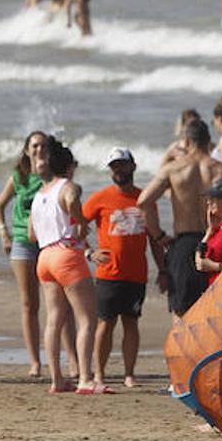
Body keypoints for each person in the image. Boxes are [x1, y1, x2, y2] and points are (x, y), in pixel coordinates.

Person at [138, 118, 222, 318]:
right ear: (209, 141)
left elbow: (143, 202)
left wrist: (158, 235)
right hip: (215, 243)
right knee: (214, 312)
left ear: (186, 141)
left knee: (182, 314)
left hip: (184, 244)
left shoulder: (173, 168)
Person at [29, 137, 100, 394]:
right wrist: (80, 220)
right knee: (87, 319)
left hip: (44, 257)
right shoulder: (68, 186)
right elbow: (71, 197)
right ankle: (84, 378)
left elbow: (31, 235)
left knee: (54, 320)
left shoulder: (39, 194)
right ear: (69, 167)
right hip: (66, 254)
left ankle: (56, 379)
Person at [83, 148, 150, 389]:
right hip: (108, 274)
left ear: (133, 166)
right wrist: (89, 252)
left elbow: (154, 237)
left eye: (122, 164)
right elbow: (74, 225)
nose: (118, 170)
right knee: (106, 323)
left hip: (137, 273)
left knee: (131, 322)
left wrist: (163, 271)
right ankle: (99, 375)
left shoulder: (144, 198)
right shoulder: (100, 198)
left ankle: (129, 374)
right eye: (114, 166)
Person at [0, 131, 50, 378]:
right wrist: (3, 233)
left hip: (49, 242)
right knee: (29, 303)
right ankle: (35, 361)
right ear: (27, 150)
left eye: (43, 146)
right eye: (34, 146)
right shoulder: (19, 176)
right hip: (22, 243)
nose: (39, 150)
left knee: (57, 302)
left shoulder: (53, 176)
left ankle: (70, 359)